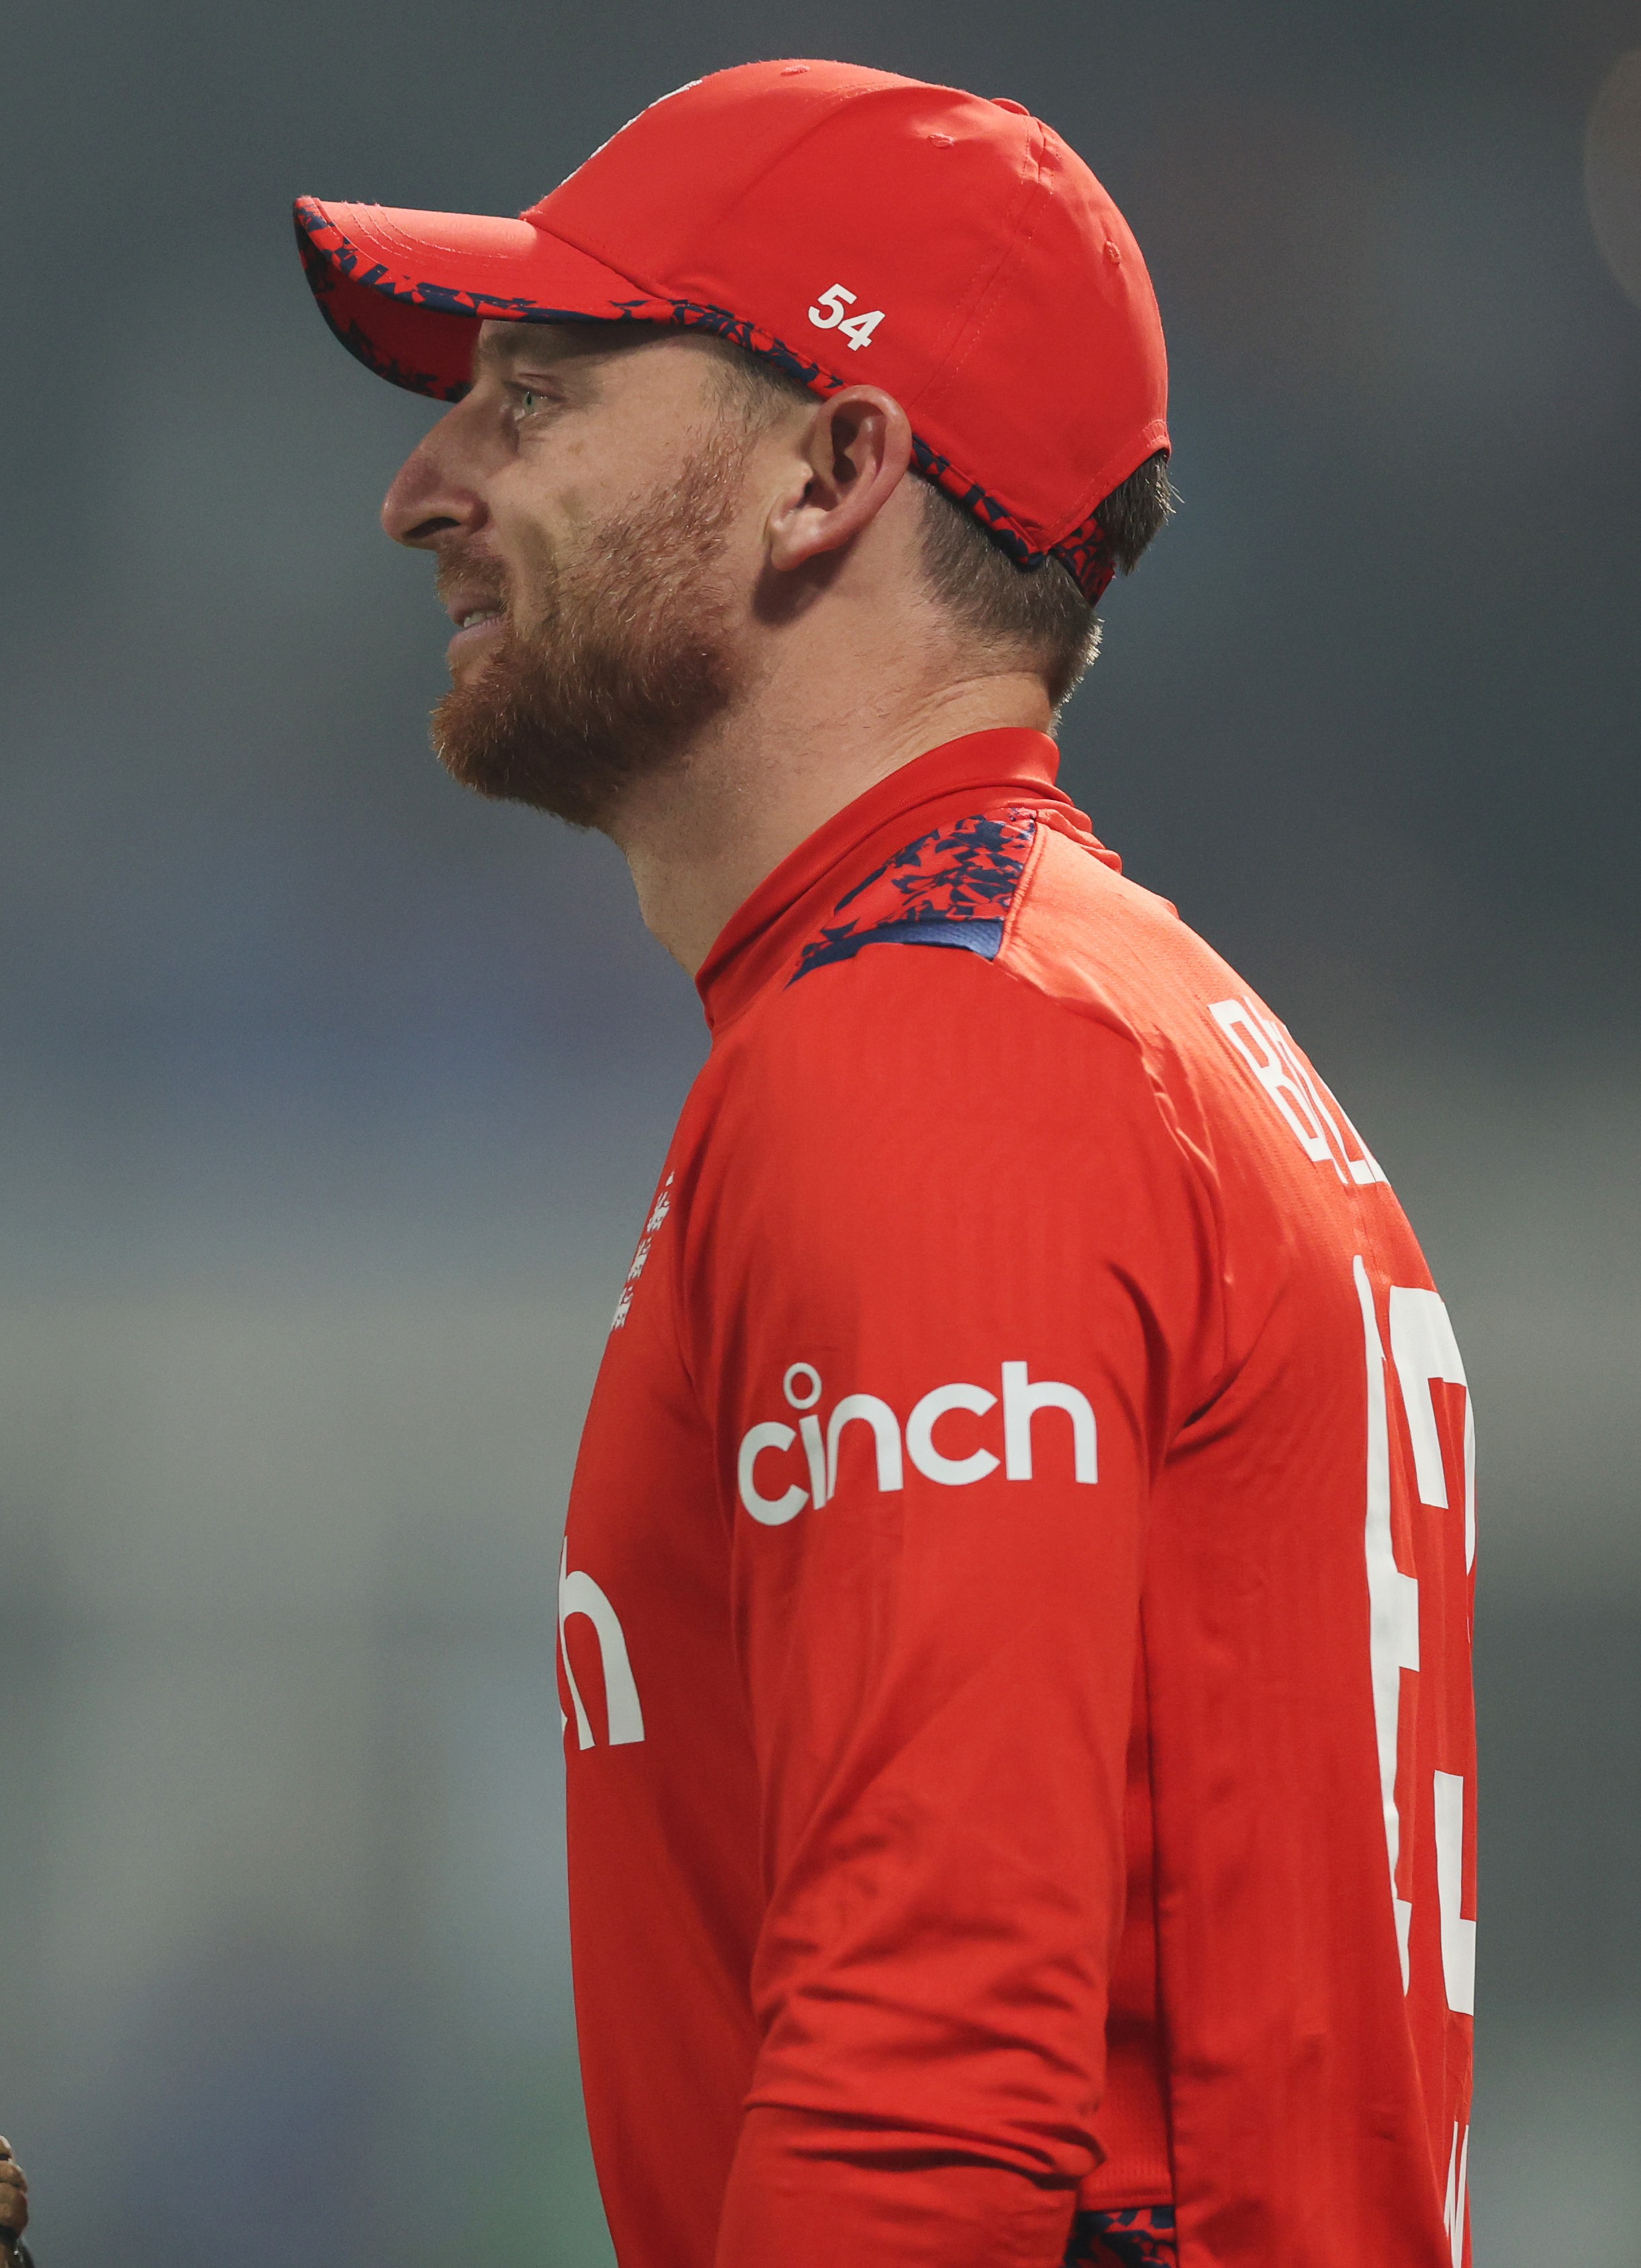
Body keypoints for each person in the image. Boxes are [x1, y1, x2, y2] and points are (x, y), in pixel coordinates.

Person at [293, 62, 1474, 2267]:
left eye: (535, 400)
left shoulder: (937, 1047)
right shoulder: (1101, 1011)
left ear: (828, 471)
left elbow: (925, 2091)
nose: (421, 488)